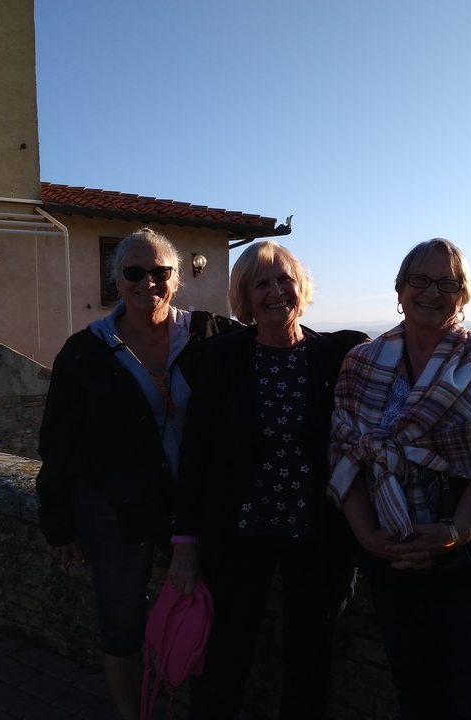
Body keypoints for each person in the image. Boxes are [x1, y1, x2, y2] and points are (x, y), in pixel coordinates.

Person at [327, 238, 471, 719]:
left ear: (463, 297)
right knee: (414, 691)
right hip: (390, 555)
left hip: (463, 558)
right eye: (420, 279)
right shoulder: (362, 361)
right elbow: (345, 454)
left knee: (470, 694)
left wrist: (454, 532)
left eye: (449, 282)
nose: (433, 291)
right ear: (400, 290)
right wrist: (368, 537)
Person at [35, 228, 240, 720]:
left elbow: (282, 338)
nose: (147, 281)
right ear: (117, 280)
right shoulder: (85, 350)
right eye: (134, 272)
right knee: (121, 618)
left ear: (176, 279)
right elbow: (57, 442)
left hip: (191, 504)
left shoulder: (211, 336)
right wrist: (58, 522)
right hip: (112, 508)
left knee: (204, 608)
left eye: (160, 272)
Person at [168, 239, 368, 719]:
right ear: (244, 296)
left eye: (284, 280)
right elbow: (196, 451)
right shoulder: (222, 356)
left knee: (310, 656)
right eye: (262, 283)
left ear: (302, 287)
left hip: (316, 534)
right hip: (239, 531)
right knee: (225, 654)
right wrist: (184, 541)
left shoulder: (334, 356)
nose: (276, 291)